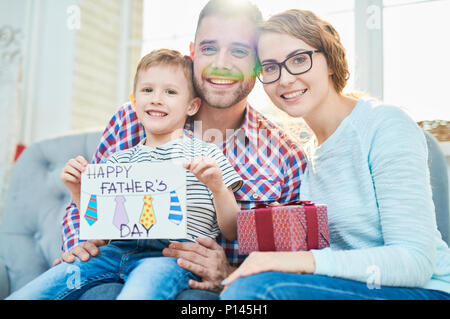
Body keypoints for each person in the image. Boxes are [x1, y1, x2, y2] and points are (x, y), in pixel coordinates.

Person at [55, 0, 306, 298]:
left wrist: (231, 275)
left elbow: (292, 266)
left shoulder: (286, 156)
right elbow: (87, 199)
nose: (220, 64)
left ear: (258, 62)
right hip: (113, 271)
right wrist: (79, 245)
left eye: (238, 51)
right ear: (193, 52)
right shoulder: (131, 119)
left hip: (205, 289)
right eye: (209, 48)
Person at [220, 9, 450, 300]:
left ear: (329, 60)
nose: (285, 79)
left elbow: (415, 261)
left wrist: (298, 263)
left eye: (299, 59)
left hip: (424, 290)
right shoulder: (303, 158)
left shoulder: (384, 125)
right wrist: (225, 269)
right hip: (354, 288)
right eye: (269, 67)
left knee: (259, 291)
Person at [7, 48, 245, 300]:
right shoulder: (119, 160)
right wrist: (77, 189)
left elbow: (232, 231)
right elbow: (101, 230)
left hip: (172, 255)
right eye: (147, 90)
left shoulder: (207, 155)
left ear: (192, 105)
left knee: (140, 293)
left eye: (170, 92)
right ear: (134, 101)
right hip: (114, 252)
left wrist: (218, 187)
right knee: (41, 288)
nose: (156, 98)